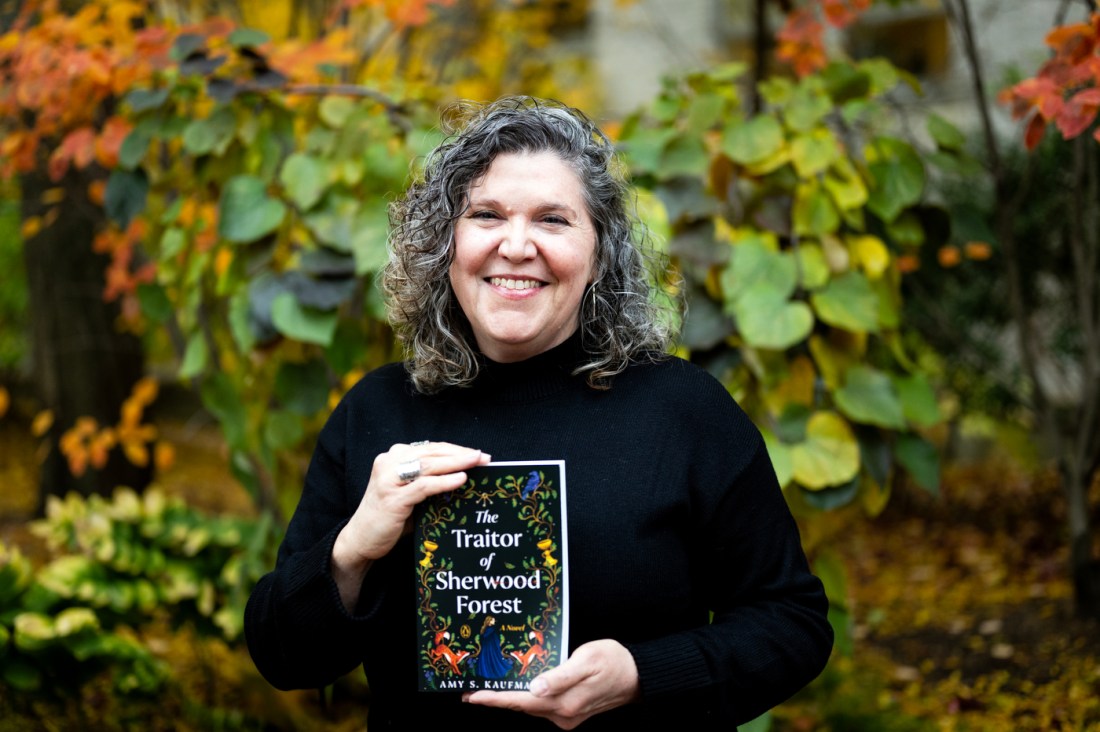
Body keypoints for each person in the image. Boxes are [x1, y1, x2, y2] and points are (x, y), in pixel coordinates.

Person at [244, 95, 833, 730]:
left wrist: (640, 675)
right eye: (486, 215)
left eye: (553, 220)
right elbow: (284, 656)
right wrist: (354, 549)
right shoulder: (377, 414)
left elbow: (792, 623)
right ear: (446, 243)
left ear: (599, 253)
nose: (516, 245)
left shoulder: (683, 412)